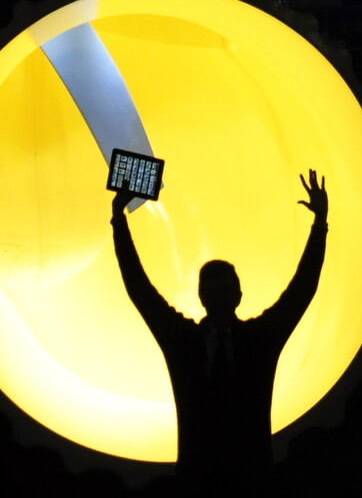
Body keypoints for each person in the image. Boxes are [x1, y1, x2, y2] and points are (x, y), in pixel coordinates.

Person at [111, 169, 328, 492]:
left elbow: (302, 289)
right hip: (199, 478)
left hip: (252, 477)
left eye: (224, 290)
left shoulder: (258, 339)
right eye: (213, 290)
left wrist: (320, 224)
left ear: (238, 295)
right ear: (201, 296)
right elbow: (138, 287)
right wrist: (118, 221)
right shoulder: (184, 341)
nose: (219, 296)